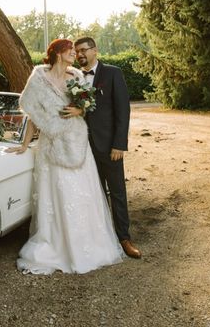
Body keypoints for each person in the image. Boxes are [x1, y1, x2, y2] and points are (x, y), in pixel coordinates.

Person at [7, 38, 123, 274]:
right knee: (57, 196)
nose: (75, 55)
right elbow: (33, 115)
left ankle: (88, 244)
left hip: (78, 143)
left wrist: (81, 109)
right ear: (59, 53)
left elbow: (91, 107)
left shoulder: (78, 78)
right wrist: (24, 144)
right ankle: (57, 246)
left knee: (83, 195)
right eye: (71, 51)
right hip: (51, 146)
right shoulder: (38, 79)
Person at [74, 36, 142, 259]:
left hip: (109, 146)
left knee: (117, 193)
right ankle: (101, 237)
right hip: (83, 148)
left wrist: (119, 144)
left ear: (95, 51)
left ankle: (124, 237)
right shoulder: (74, 77)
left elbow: (123, 111)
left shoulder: (113, 73)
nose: (80, 54)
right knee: (94, 193)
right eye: (77, 51)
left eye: (84, 50)